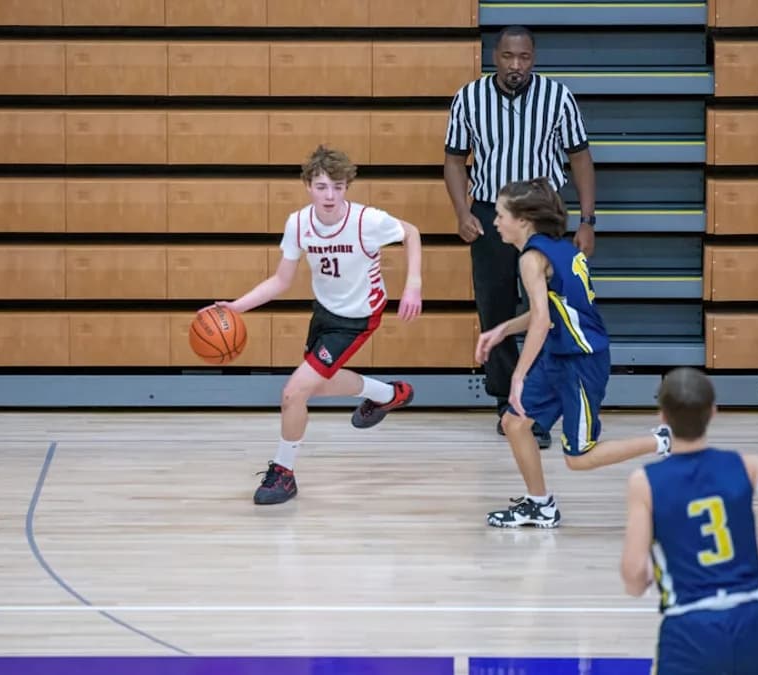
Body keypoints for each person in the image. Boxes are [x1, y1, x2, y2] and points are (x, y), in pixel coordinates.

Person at [201, 146, 423, 505]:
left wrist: (413, 284)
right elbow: (281, 280)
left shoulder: (367, 221)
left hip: (358, 317)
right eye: (321, 187)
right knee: (316, 385)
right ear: (307, 186)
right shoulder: (299, 223)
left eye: (338, 187)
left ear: (347, 186)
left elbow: (411, 232)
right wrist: (236, 307)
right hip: (324, 312)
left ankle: (284, 473)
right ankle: (387, 394)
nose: (330, 195)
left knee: (294, 393)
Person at [475, 178, 669, 528]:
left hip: (581, 360)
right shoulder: (559, 248)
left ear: (523, 220)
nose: (495, 222)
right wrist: (503, 329)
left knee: (579, 457)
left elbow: (542, 320)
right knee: (514, 423)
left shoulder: (532, 258)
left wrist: (517, 375)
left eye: (501, 215)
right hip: (560, 355)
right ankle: (540, 505)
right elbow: (551, 309)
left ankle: (660, 441)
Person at [620, 367, 758, 674]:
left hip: (688, 625)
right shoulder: (746, 465)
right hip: (749, 619)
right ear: (713, 411)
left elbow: (633, 575)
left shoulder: (644, 482)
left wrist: (640, 582)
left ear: (663, 418)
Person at [444, 25, 598, 447]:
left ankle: (540, 406)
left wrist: (587, 220)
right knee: (494, 307)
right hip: (492, 214)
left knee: (547, 308)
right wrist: (462, 212)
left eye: (524, 57)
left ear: (534, 58)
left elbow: (580, 158)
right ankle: (507, 403)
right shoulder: (469, 97)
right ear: (495, 56)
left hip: (543, 216)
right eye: (509, 56)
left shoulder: (557, 97)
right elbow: (454, 160)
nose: (516, 65)